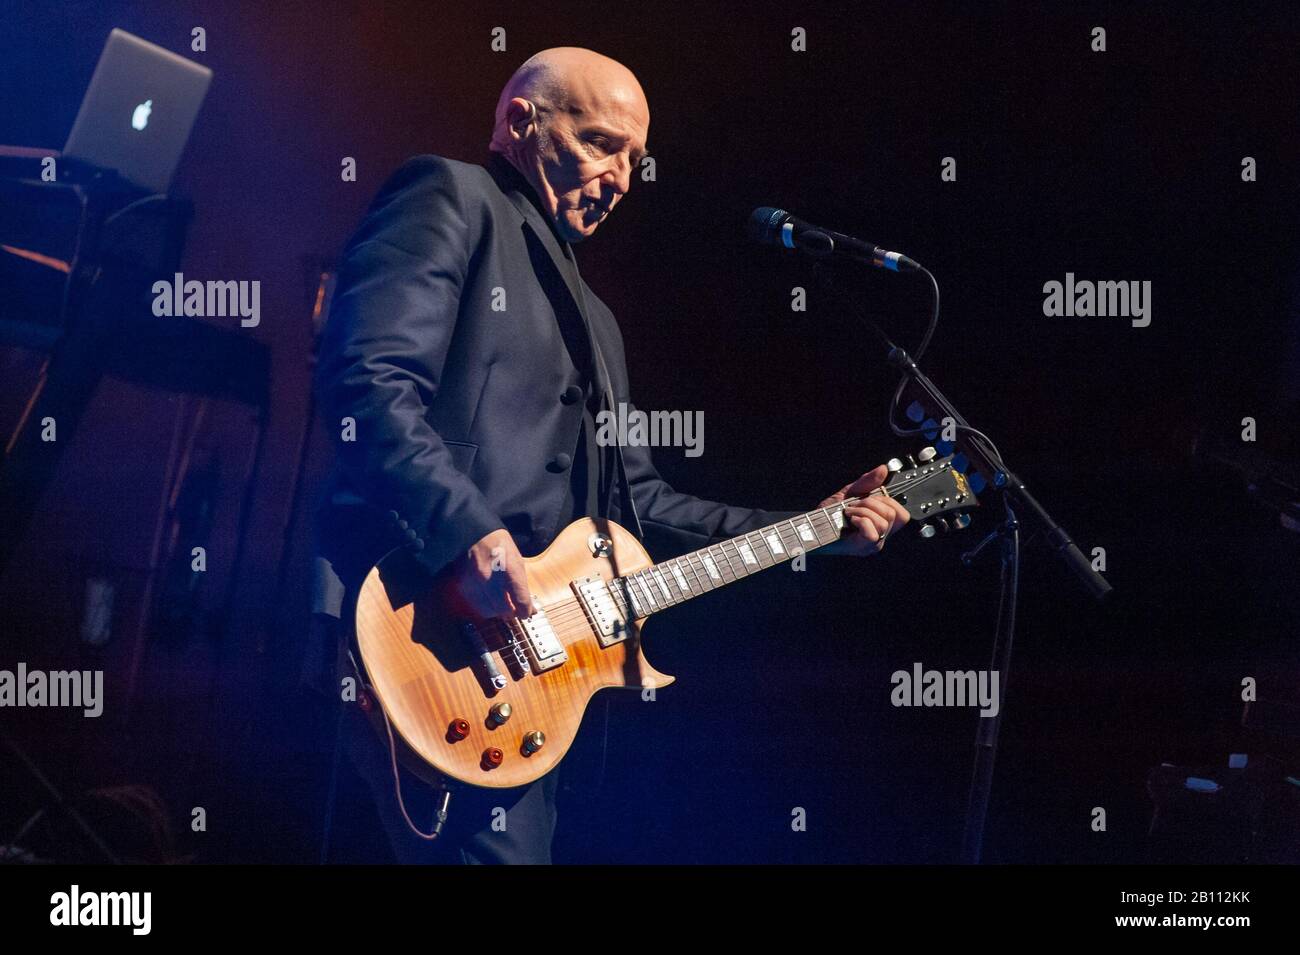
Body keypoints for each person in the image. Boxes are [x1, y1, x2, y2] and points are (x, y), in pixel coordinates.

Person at [311, 47, 909, 864]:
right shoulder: (451, 196)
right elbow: (366, 379)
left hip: (527, 694)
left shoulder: (599, 322)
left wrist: (815, 526)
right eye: (600, 143)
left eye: (636, 158)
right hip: (417, 634)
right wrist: (467, 532)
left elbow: (642, 504)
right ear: (522, 122)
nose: (623, 177)